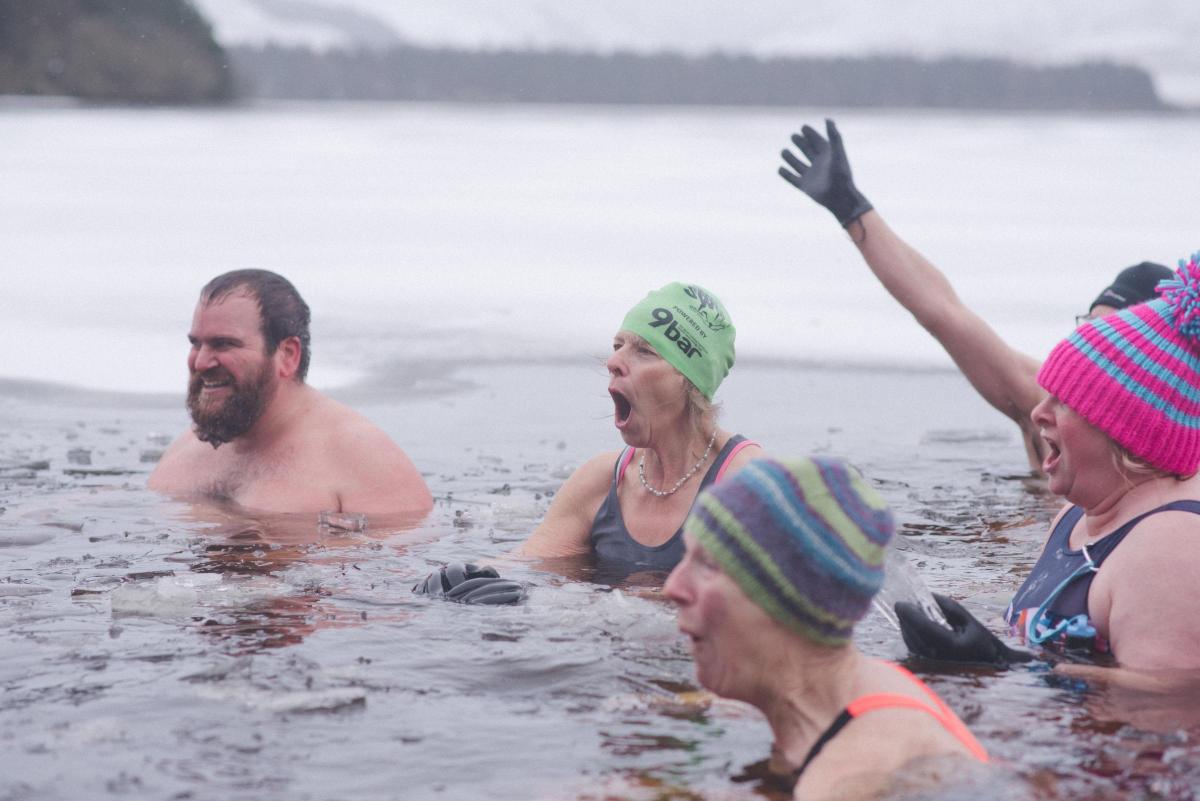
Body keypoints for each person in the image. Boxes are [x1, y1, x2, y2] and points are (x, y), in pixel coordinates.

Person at [777, 119, 1175, 474]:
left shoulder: (1177, 464)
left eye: (1105, 338)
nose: (1085, 350)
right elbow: (942, 312)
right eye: (1086, 330)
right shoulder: (1049, 411)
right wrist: (851, 210)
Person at [897, 253, 1200, 673]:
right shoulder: (1072, 518)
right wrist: (974, 636)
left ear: (1124, 428)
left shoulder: (1171, 546)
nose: (1039, 413)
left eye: (1065, 401)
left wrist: (1001, 667)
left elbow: (1171, 704)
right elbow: (1030, 633)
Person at [665, 456, 988, 799]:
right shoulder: (868, 685)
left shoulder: (851, 777)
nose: (673, 587)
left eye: (707, 565)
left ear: (789, 601)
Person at [518, 282, 761, 573]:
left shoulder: (748, 486)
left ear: (690, 382)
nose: (613, 362)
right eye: (618, 346)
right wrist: (455, 577)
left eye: (645, 351)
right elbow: (526, 565)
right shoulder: (600, 481)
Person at [148, 270, 432, 516]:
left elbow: (407, 570)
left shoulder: (363, 460)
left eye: (223, 344)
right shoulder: (187, 448)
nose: (200, 362)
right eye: (196, 344)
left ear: (287, 354)